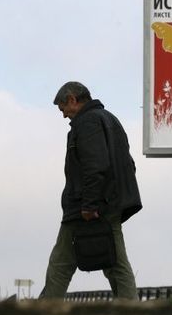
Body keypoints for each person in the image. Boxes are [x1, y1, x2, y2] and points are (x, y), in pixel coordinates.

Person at [40, 82, 142, 299]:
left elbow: (95, 166)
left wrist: (88, 204)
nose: (64, 115)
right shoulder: (110, 120)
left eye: (63, 109)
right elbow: (128, 164)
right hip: (109, 203)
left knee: (61, 263)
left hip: (87, 207)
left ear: (72, 100)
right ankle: (130, 308)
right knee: (114, 260)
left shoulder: (86, 123)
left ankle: (43, 311)